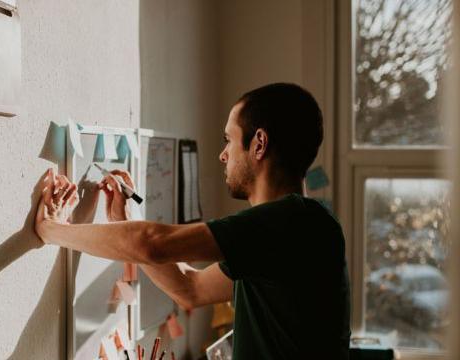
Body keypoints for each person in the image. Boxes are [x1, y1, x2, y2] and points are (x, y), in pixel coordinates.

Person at [31, 83, 351, 359]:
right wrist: (126, 219)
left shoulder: (293, 224)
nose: (223, 154)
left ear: (259, 144)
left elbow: (152, 245)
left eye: (228, 139)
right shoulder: (286, 233)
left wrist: (52, 229)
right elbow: (190, 289)